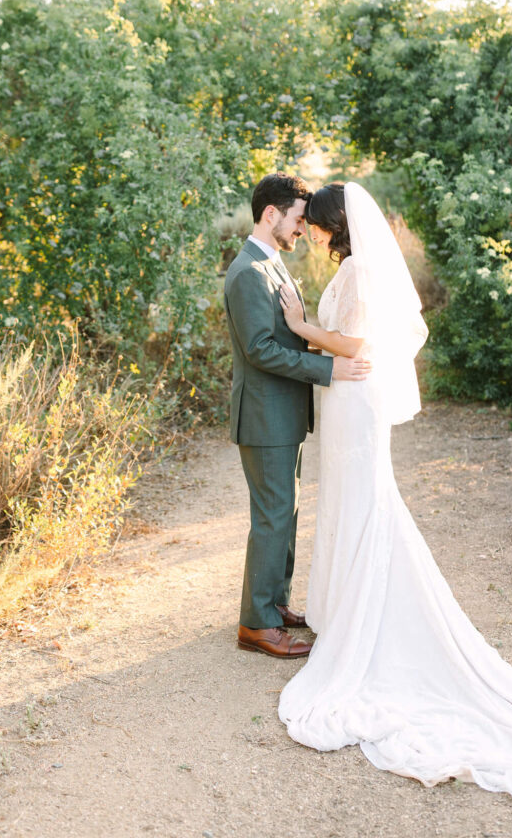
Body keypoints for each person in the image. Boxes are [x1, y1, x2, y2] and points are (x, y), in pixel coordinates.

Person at [276, 181, 512, 817]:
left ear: (334, 224)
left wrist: (301, 327)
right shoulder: (356, 268)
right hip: (350, 405)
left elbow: (359, 346)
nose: (315, 233)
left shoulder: (355, 270)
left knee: (363, 508)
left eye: (319, 224)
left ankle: (359, 625)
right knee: (359, 509)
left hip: (353, 403)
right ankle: (345, 613)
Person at [224, 173, 371, 660]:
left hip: (282, 413)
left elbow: (288, 334)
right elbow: (261, 350)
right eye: (297, 219)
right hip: (264, 416)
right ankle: (257, 625)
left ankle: (274, 603)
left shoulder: (274, 266)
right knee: (271, 517)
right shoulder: (248, 272)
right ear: (272, 214)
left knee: (283, 512)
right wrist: (328, 368)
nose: (303, 229)